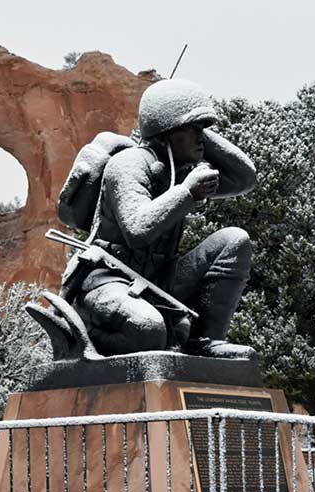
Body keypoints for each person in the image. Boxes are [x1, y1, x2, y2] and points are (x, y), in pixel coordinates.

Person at [63, 79, 257, 359]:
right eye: (192, 130)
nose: (200, 137)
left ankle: (204, 341)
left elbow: (244, 178)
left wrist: (196, 130)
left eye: (201, 130)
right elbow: (138, 230)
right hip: (108, 281)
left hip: (158, 280)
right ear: (166, 134)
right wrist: (188, 192)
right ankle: (86, 338)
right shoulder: (128, 164)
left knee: (234, 241)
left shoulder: (179, 168)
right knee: (148, 330)